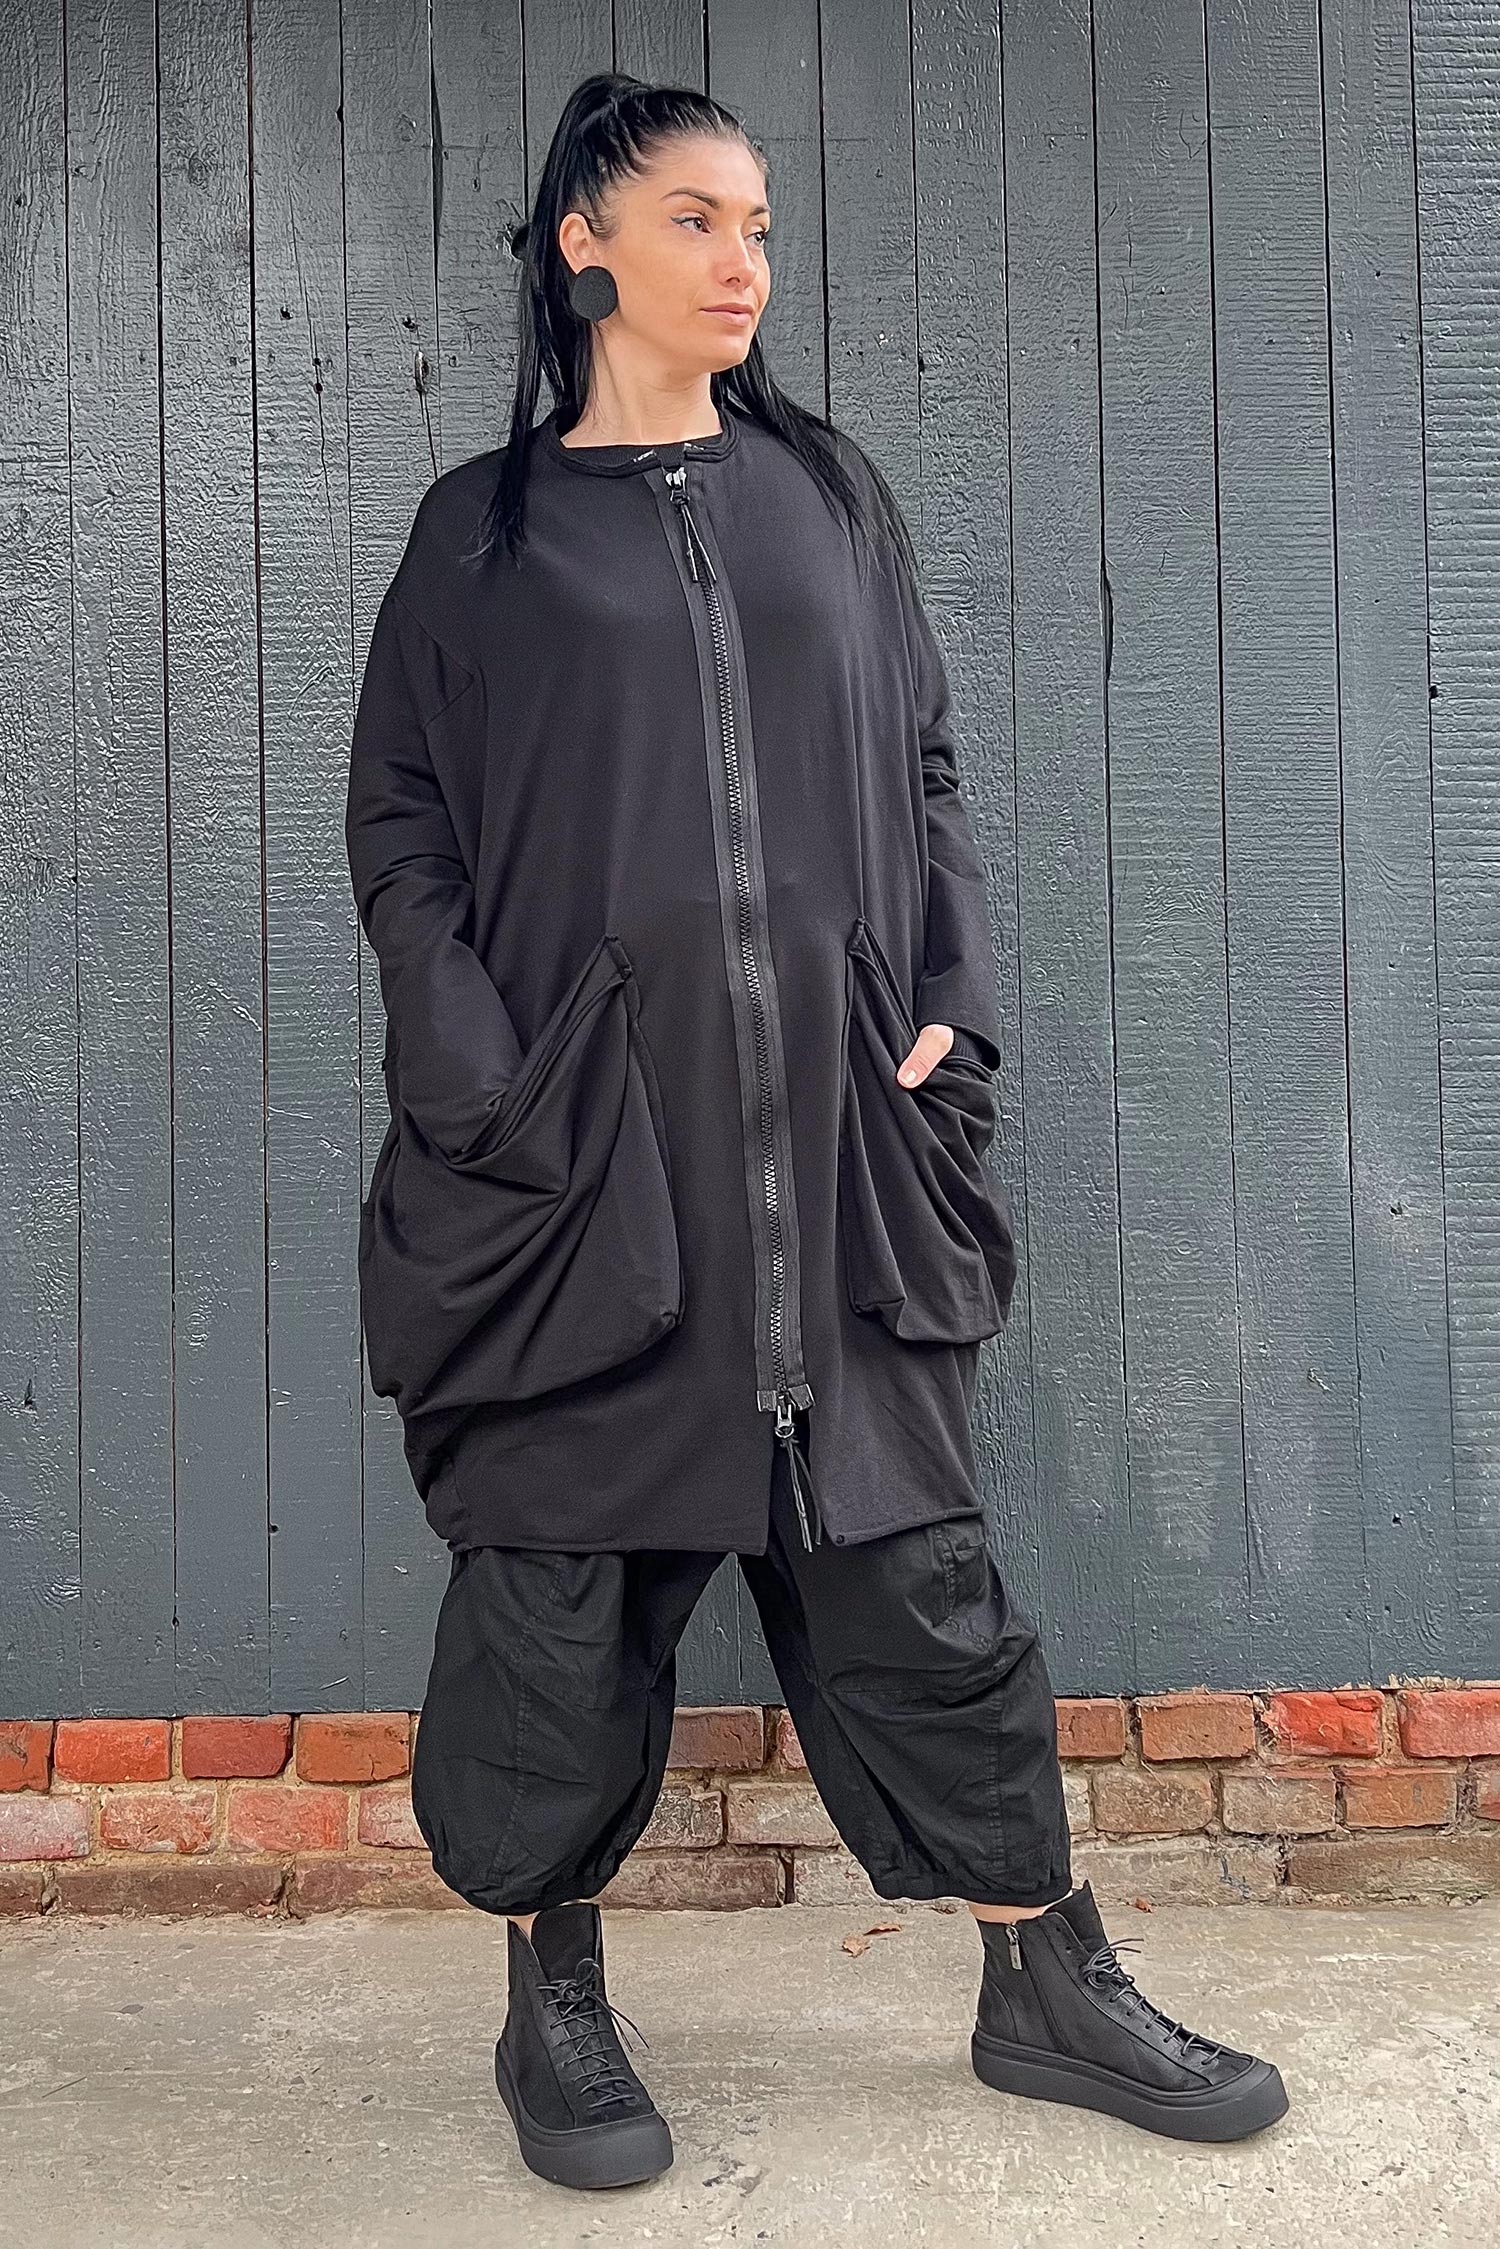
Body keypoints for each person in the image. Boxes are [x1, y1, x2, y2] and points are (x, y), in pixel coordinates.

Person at [344, 69, 1289, 2195]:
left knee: (920, 1583)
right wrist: (479, 1071)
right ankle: (552, 1995)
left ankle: (1046, 1978)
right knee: (558, 1598)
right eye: (696, 219)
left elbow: (925, 762)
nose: (743, 261)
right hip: (591, 1164)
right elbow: (400, 823)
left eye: (758, 225)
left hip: (842, 1152)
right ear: (586, 240)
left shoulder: (826, 493)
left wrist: (951, 993)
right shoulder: (483, 537)